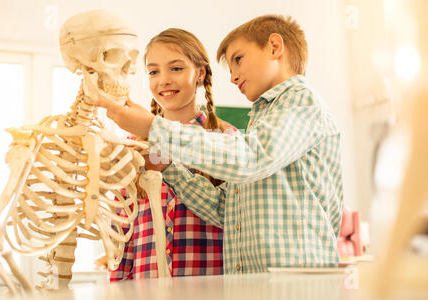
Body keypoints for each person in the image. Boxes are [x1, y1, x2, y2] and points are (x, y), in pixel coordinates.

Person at [97, 14, 344, 274]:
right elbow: (226, 209)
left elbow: (251, 158)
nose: (233, 77)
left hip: (294, 286)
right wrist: (170, 169)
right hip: (251, 285)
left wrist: (152, 128)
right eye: (154, 70)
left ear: (274, 46)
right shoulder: (262, 123)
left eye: (238, 59)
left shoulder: (301, 103)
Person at [108, 28, 236, 281]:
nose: (163, 80)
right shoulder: (133, 148)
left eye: (176, 68)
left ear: (200, 73)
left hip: (212, 288)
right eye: (153, 71)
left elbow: (235, 221)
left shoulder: (226, 140)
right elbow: (121, 232)